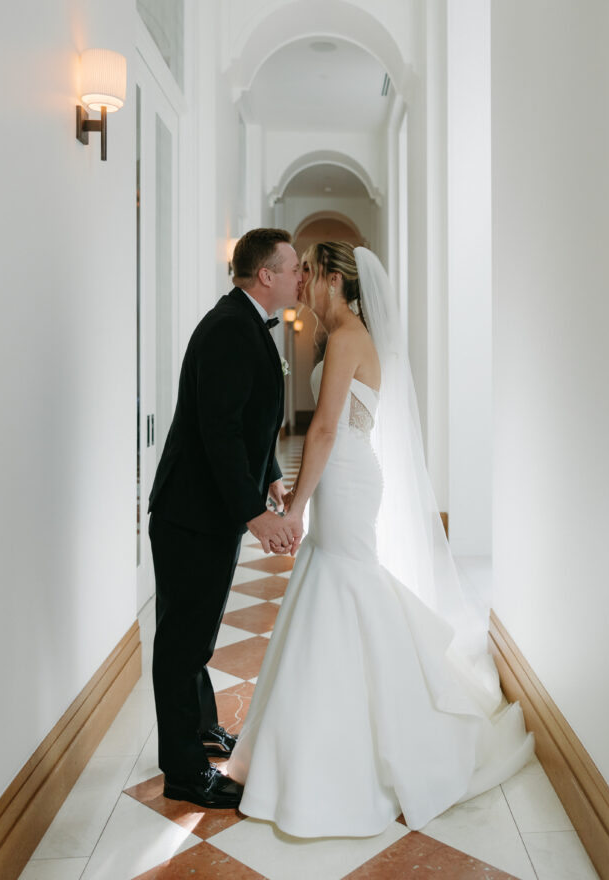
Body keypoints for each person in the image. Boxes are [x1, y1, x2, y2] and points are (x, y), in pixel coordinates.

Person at [226, 241, 534, 837]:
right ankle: (314, 737)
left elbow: (322, 430)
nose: (307, 285)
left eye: (313, 274)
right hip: (345, 474)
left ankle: (371, 740)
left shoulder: (345, 339)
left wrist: (299, 503)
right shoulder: (347, 336)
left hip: (342, 475)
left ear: (338, 282)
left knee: (348, 584)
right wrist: (300, 496)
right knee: (338, 582)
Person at [148, 228, 303, 809]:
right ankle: (184, 772)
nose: (298, 277)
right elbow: (219, 432)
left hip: (205, 514)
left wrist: (268, 474)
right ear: (266, 274)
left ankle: (202, 729)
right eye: (291, 268)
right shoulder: (228, 330)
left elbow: (248, 416)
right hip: (191, 515)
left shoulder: (243, 323)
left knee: (198, 633)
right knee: (183, 643)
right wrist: (254, 516)